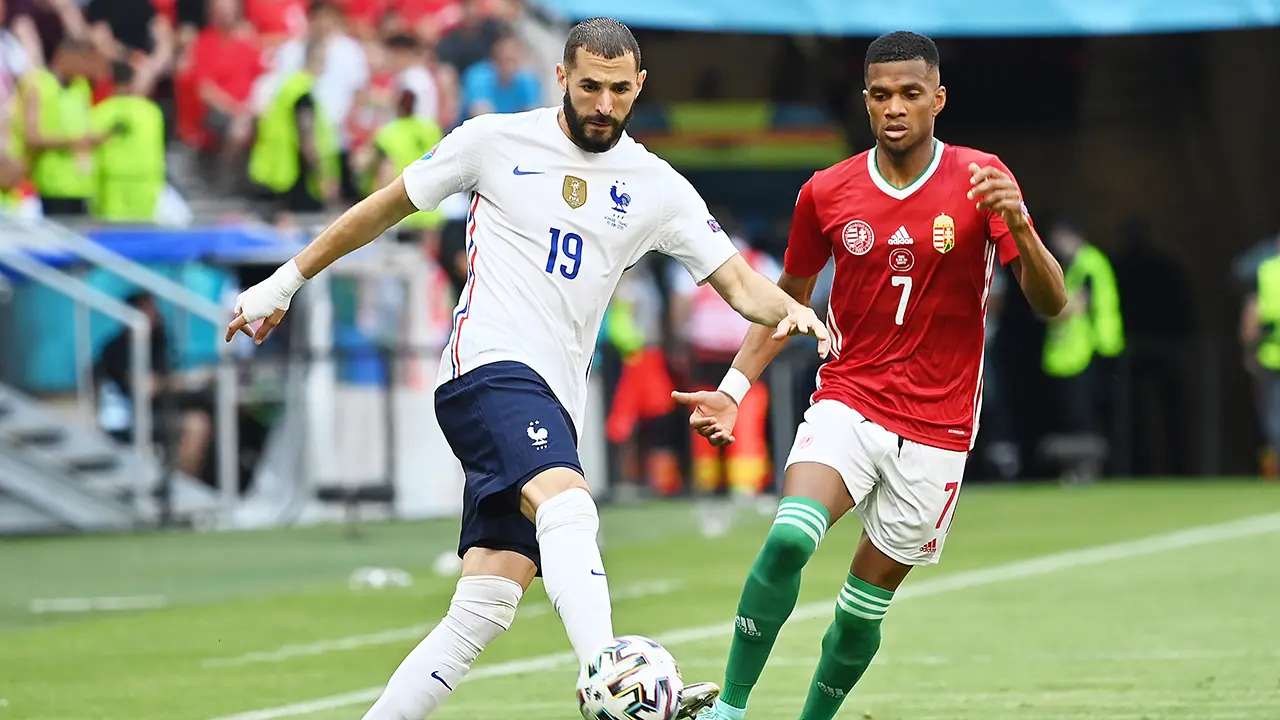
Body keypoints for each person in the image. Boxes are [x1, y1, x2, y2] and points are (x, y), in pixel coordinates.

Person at [225, 16, 830, 720]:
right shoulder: (492, 141)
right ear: (562, 77)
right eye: (590, 86)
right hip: (487, 366)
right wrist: (284, 281)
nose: (604, 103)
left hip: (556, 398)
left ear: (640, 87)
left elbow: (740, 285)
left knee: (485, 604)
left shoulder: (657, 186)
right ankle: (616, 683)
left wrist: (791, 310)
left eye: (619, 90)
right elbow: (384, 208)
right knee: (568, 505)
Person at [674, 31, 1067, 720]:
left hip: (940, 428)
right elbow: (787, 300)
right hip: (849, 399)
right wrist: (734, 390)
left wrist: (1021, 227)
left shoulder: (981, 178)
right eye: (881, 95)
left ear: (938, 98)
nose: (895, 108)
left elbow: (1052, 302)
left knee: (859, 615)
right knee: (789, 537)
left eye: (911, 94)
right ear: (865, 100)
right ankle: (729, 709)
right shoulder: (827, 191)